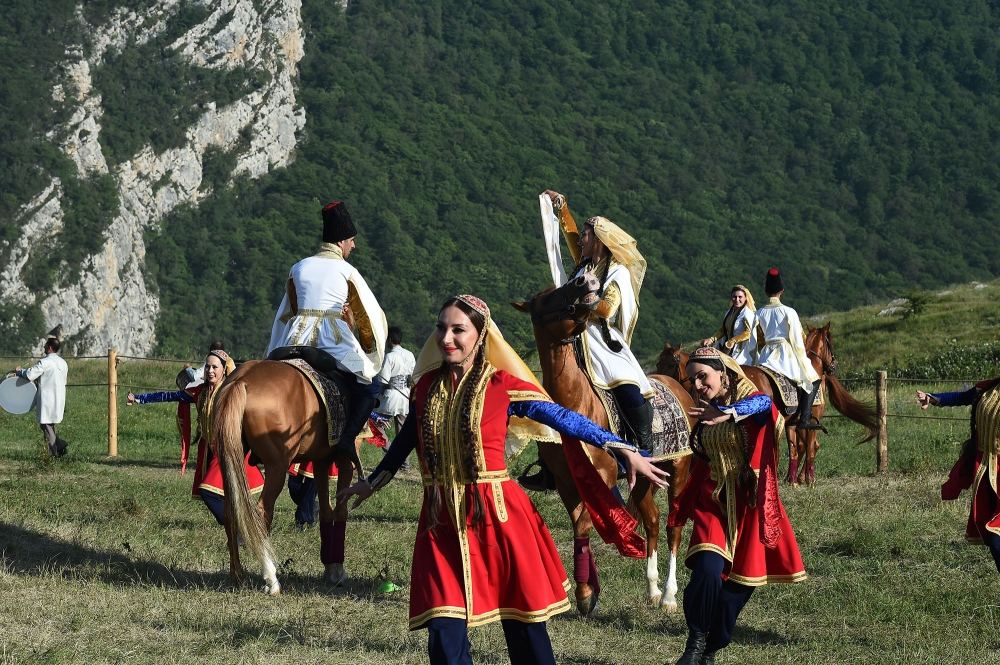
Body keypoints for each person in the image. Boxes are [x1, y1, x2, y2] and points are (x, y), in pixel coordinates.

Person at [338, 295, 667, 665]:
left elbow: (562, 418)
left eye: (458, 330)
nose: (447, 338)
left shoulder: (502, 385)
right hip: (440, 521)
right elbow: (404, 442)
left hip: (499, 517)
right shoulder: (425, 387)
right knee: (443, 631)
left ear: (480, 336)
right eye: (442, 328)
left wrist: (622, 448)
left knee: (525, 628)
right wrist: (375, 480)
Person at [671, 347, 806, 665]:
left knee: (736, 592)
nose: (699, 386)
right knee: (706, 572)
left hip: (750, 504)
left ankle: (712, 647)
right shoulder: (706, 404)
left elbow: (764, 403)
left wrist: (730, 413)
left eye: (703, 377)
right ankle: (695, 644)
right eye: (693, 381)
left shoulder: (749, 396)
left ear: (723, 371)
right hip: (713, 501)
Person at [520, 189, 655, 491]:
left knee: (629, 387)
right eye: (581, 234)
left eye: (586, 235)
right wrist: (562, 207)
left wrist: (588, 302)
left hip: (601, 340)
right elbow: (568, 238)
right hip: (575, 332)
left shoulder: (616, 272)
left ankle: (643, 447)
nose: (580, 239)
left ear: (599, 240)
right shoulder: (584, 267)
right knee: (548, 390)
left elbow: (608, 308)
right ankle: (549, 462)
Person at [265, 200, 387, 471]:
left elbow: (289, 310)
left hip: (294, 339)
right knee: (370, 385)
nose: (354, 246)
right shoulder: (347, 271)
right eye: (352, 240)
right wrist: (367, 347)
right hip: (333, 343)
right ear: (342, 241)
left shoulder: (298, 267)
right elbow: (369, 317)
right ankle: (346, 441)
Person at [127, 349, 264, 524]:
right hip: (208, 448)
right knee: (225, 493)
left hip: (227, 448)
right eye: (207, 367)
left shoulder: (232, 392)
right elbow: (169, 395)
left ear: (224, 370)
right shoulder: (199, 391)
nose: (210, 371)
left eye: (215, 367)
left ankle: (237, 527)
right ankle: (243, 525)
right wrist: (138, 398)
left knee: (209, 492)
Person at [917, 380, 1000, 572]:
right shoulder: (988, 389)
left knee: (996, 538)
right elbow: (962, 397)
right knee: (992, 537)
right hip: (987, 474)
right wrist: (932, 398)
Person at [752, 267, 823, 429]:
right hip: (786, 354)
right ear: (781, 291)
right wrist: (803, 359)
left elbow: (757, 340)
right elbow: (797, 340)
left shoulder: (759, 313)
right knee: (812, 378)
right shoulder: (788, 312)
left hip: (766, 355)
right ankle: (804, 420)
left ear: (766, 291)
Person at [14, 335, 69, 457]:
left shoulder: (44, 362)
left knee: (45, 424)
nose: (44, 347)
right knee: (49, 423)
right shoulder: (63, 362)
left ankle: (55, 453)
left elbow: (30, 375)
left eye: (45, 345)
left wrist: (19, 371)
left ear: (49, 348)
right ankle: (59, 445)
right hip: (59, 397)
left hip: (48, 398)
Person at [376, 325, 416, 468]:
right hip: (405, 395)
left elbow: (383, 380)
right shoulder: (410, 354)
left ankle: (391, 450)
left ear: (390, 340)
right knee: (403, 431)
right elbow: (413, 375)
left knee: (374, 424)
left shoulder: (390, 356)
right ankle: (404, 461)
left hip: (390, 396)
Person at [701, 285, 757, 366]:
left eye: (740, 297)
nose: (737, 300)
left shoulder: (747, 313)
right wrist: (711, 339)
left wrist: (733, 340)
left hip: (741, 351)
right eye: (734, 297)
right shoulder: (729, 312)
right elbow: (723, 330)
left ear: (745, 298)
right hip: (726, 347)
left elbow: (748, 333)